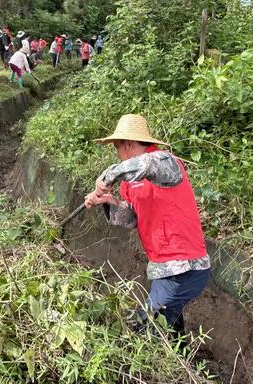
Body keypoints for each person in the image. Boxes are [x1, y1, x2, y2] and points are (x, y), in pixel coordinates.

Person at [84, 114, 210, 337]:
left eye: (117, 147)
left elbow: (146, 165)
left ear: (128, 144)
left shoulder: (165, 162)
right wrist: (109, 201)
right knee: (169, 324)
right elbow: (133, 219)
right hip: (163, 270)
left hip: (185, 268)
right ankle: (181, 360)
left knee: (140, 328)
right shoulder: (130, 183)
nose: (117, 153)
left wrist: (107, 177)